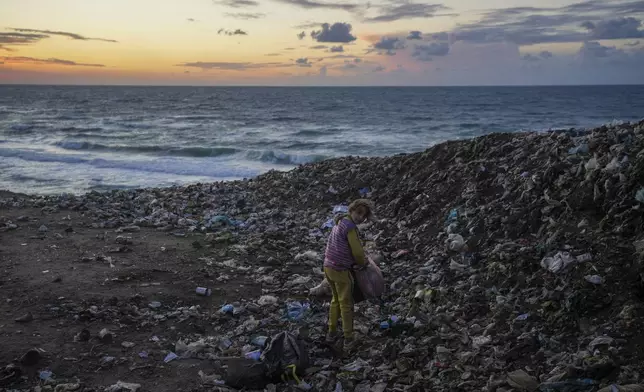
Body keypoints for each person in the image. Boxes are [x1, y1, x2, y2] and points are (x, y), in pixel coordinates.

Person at [323, 199, 373, 352]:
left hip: (328, 265)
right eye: (358, 213)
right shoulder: (350, 227)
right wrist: (363, 262)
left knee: (335, 300)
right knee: (346, 303)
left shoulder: (340, 221)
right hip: (340, 269)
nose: (360, 218)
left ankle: (331, 332)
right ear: (352, 210)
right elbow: (357, 251)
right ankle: (348, 338)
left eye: (363, 216)